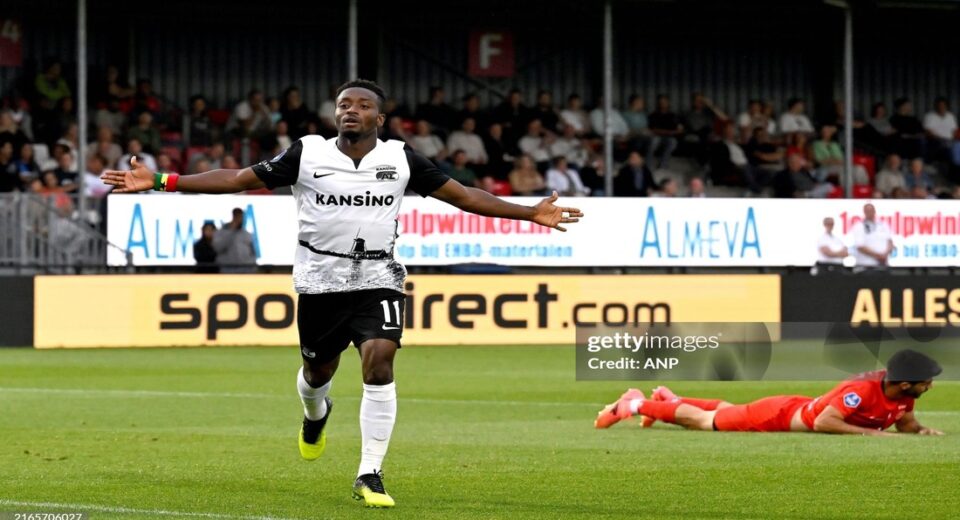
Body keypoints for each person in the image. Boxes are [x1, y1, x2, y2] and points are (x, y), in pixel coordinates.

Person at [101, 79, 582, 508]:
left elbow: (464, 196)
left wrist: (528, 213)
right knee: (317, 371)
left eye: (361, 104)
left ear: (380, 117)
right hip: (319, 280)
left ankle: (369, 472)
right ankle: (315, 415)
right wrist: (163, 181)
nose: (350, 110)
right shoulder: (307, 153)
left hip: (379, 276)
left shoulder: (399, 158)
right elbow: (239, 179)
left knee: (380, 361)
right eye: (343, 104)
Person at [595, 349, 943, 437]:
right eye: (926, 380)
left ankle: (669, 402)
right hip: (776, 416)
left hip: (789, 408)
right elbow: (825, 422)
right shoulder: (860, 391)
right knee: (706, 422)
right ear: (905, 382)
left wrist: (921, 431)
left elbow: (905, 424)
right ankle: (634, 403)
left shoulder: (903, 396)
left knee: (728, 410)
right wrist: (870, 434)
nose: (930, 385)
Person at [211, 208, 257, 273]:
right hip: (227, 269)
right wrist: (232, 231)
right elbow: (217, 248)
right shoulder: (220, 233)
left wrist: (251, 265)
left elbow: (253, 253)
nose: (239, 219)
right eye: (237, 217)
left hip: (246, 269)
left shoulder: (247, 234)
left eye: (240, 217)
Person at [850, 203, 893, 270]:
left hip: (883, 265)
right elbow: (860, 246)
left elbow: (890, 241)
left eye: (871, 210)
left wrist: (885, 255)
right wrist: (878, 256)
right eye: (867, 211)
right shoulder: (859, 226)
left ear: (874, 211)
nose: (869, 213)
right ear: (864, 212)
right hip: (866, 265)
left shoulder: (883, 225)